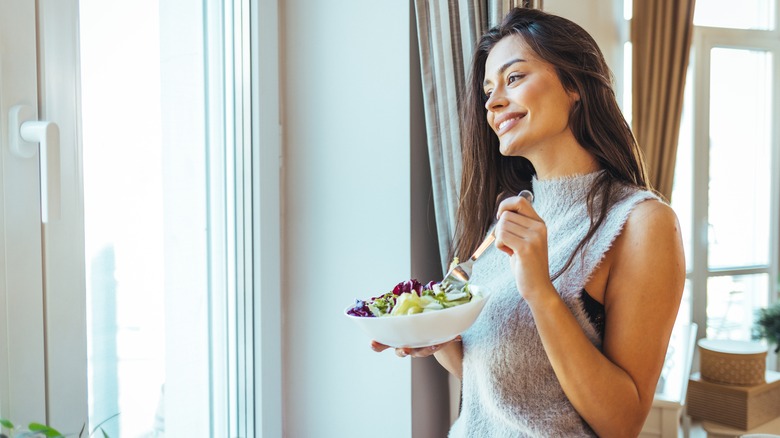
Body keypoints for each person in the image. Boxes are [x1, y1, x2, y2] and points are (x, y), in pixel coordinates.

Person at [371, 7, 685, 437]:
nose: (494, 101)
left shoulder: (642, 223)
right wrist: (440, 336)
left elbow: (621, 423)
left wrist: (540, 291)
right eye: (487, 91)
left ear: (574, 84)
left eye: (513, 78)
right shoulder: (510, 217)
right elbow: (513, 394)